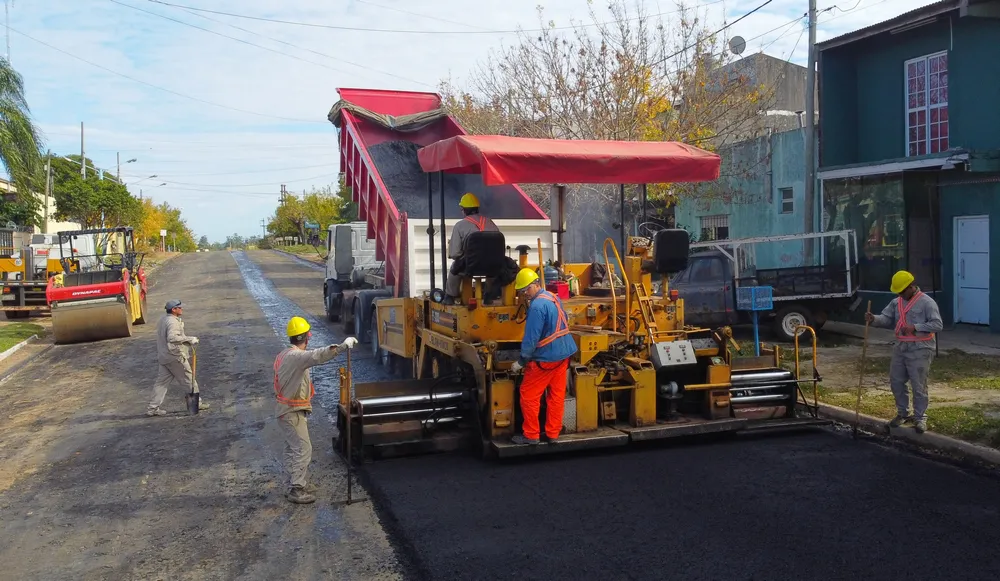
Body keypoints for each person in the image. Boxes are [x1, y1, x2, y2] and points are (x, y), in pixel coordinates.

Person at [274, 316, 357, 504]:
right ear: (306, 337)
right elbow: (317, 355)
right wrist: (343, 346)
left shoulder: (284, 354)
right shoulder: (296, 357)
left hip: (286, 410)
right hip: (291, 411)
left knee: (293, 448)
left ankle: (296, 482)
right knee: (303, 448)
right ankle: (297, 489)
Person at [865, 270, 943, 433]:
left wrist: (916, 327)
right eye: (898, 292)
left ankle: (920, 417)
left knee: (918, 384)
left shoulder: (927, 303)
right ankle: (903, 414)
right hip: (901, 348)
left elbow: (937, 325)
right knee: (896, 381)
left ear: (911, 287)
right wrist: (874, 319)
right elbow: (886, 318)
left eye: (902, 291)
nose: (900, 294)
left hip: (921, 349)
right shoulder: (896, 302)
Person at [509, 268, 578, 445]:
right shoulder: (553, 297)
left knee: (529, 395)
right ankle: (553, 434)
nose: (525, 295)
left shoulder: (537, 307)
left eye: (525, 290)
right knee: (556, 396)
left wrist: (521, 361)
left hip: (545, 360)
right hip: (563, 355)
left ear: (534, 285)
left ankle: (531, 435)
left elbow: (531, 339)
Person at [147, 299, 208, 416]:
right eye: (179, 307)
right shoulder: (172, 322)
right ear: (174, 309)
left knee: (161, 384)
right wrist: (190, 339)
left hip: (164, 357)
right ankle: (197, 403)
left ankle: (152, 408)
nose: (182, 309)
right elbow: (172, 338)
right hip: (175, 357)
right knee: (189, 379)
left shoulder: (163, 319)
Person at [444, 192, 499, 304]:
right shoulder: (491, 223)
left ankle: (450, 296)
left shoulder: (460, 225)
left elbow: (455, 253)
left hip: (471, 266)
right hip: (493, 266)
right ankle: (489, 295)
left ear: (464, 209)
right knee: (493, 269)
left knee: (455, 267)